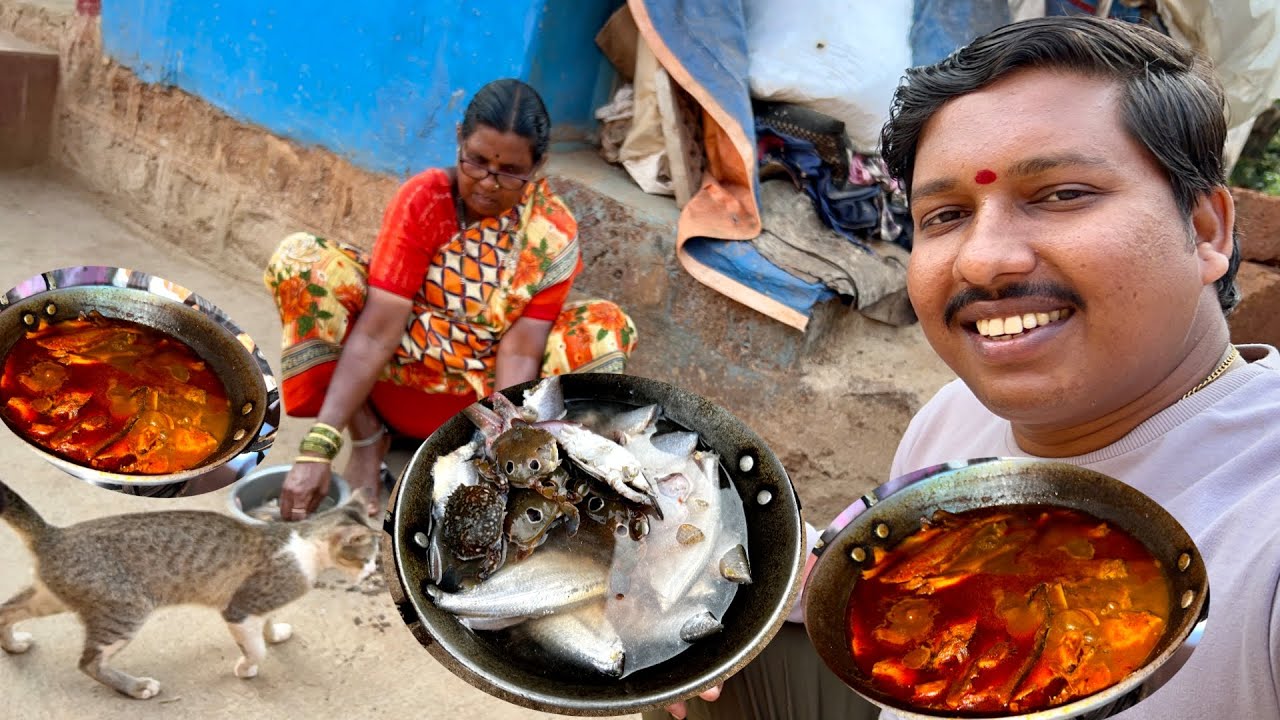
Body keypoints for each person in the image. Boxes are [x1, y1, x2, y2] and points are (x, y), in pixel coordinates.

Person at [657, 15, 1280, 720]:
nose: (982, 261)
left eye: (1061, 194)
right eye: (947, 214)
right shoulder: (953, 418)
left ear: (1205, 230)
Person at [263, 79, 637, 521]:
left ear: (539, 164)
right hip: (392, 379)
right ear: (459, 137)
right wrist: (318, 446)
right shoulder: (424, 200)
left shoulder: (549, 232)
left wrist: (502, 451)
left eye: (509, 171)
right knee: (304, 262)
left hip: (477, 403)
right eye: (476, 161)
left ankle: (536, 476)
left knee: (605, 327)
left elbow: (521, 349)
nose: (486, 183)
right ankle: (368, 441)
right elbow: (377, 331)